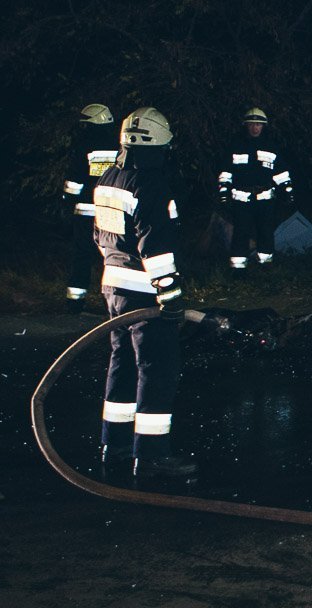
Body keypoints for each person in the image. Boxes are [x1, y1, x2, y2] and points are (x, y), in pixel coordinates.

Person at [93, 107, 196, 478]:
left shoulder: (109, 177)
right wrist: (169, 291)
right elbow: (156, 245)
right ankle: (151, 455)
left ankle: (114, 444)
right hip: (144, 291)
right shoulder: (150, 183)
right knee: (157, 369)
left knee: (121, 363)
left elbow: (101, 235)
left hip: (113, 285)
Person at [217, 107, 294, 271]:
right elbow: (225, 172)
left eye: (258, 124)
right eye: (252, 124)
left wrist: (287, 190)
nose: (255, 128)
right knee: (240, 234)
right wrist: (224, 192)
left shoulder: (271, 147)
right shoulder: (236, 146)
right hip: (241, 199)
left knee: (266, 233)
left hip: (265, 198)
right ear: (246, 125)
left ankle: (265, 266)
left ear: (263, 126)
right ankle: (238, 269)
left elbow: (280, 172)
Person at [62, 103, 119, 309]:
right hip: (113, 211)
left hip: (86, 211)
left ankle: (75, 302)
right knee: (113, 255)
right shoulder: (120, 145)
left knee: (82, 255)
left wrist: (67, 200)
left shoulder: (84, 144)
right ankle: (113, 303)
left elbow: (75, 181)